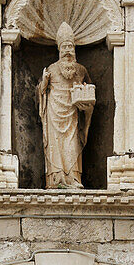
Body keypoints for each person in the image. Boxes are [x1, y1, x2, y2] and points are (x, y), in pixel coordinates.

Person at [37, 22, 94, 188]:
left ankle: (74, 179)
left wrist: (85, 96)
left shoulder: (81, 70)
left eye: (71, 47)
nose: (68, 51)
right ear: (59, 50)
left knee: (72, 146)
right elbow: (40, 92)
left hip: (73, 115)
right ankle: (56, 179)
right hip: (54, 114)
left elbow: (90, 88)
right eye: (65, 48)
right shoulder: (51, 69)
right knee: (55, 147)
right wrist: (44, 83)